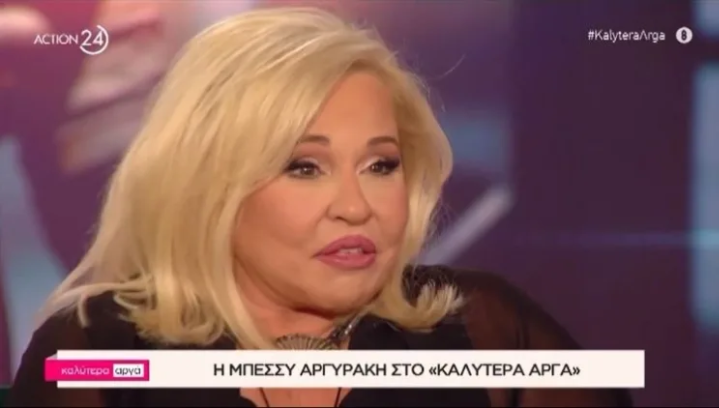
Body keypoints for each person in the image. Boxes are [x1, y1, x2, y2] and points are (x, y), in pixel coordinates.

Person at [6, 7, 632, 407]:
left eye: (381, 165)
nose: (356, 209)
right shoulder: (95, 357)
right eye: (304, 167)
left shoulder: (489, 334)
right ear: (209, 186)